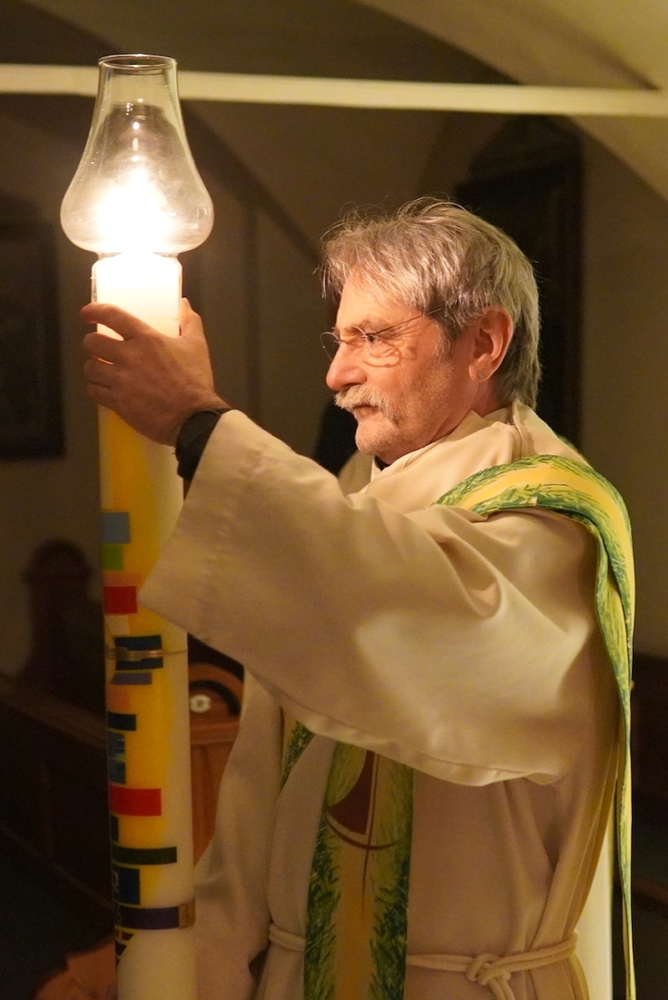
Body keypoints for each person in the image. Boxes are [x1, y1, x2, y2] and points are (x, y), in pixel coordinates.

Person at [81, 200, 633, 1000]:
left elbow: (413, 622)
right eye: (338, 341)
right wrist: (201, 960)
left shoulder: (551, 516)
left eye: (374, 338)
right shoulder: (361, 500)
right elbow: (264, 775)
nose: (338, 374)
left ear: (484, 342)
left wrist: (199, 426)